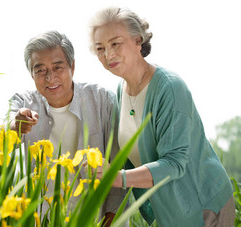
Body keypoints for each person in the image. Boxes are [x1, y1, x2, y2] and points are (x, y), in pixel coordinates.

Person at [87, 7, 235, 227]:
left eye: (115, 43)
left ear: (138, 40)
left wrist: (119, 178)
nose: (108, 55)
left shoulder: (169, 87)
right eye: (100, 48)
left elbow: (174, 163)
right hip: (171, 210)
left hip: (203, 204)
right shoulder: (122, 89)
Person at [6, 30, 124, 222]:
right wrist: (14, 126)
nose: (50, 78)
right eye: (40, 70)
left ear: (73, 66)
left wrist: (111, 220)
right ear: (32, 74)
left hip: (95, 219)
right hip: (42, 220)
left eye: (57, 67)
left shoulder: (103, 100)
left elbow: (119, 165)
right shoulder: (22, 102)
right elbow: (4, 128)